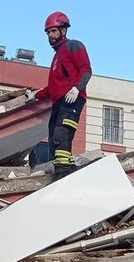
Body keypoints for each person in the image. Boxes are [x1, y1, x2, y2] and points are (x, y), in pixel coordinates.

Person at [34, 11, 92, 179]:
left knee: (62, 134)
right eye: (48, 32)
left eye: (53, 31)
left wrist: (77, 88)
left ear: (63, 30)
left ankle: (63, 173)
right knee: (53, 138)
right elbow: (52, 88)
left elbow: (86, 69)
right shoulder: (57, 56)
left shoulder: (73, 45)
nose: (50, 35)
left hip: (72, 99)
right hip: (59, 102)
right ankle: (63, 168)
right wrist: (36, 95)